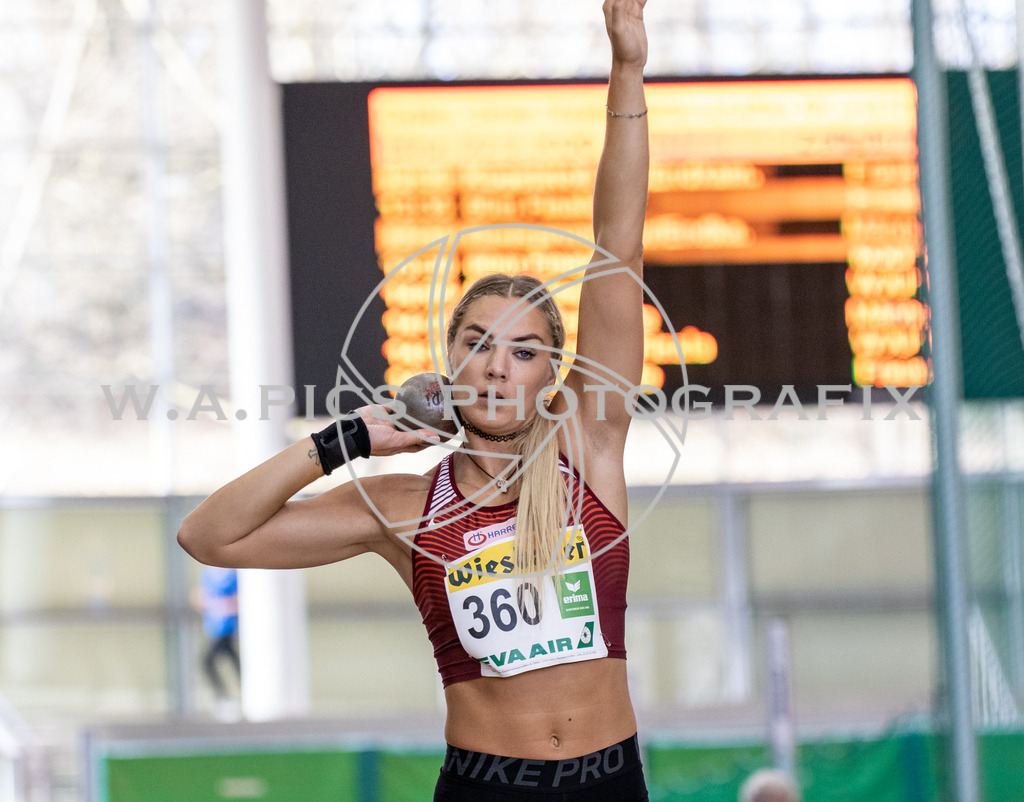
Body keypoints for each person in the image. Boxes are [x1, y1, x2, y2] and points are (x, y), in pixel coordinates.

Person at [177, 0, 649, 797]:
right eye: (478, 344)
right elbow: (209, 537)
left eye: (525, 351)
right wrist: (345, 441)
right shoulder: (402, 507)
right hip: (483, 784)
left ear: (552, 377)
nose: (499, 367)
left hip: (611, 780)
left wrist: (627, 70)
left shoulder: (589, 449)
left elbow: (619, 246)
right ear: (449, 364)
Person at [196, 566, 241, 720]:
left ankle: (227, 699)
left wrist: (222, 605)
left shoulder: (234, 575)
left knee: (208, 661)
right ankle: (225, 698)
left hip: (228, 629)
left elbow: (238, 601)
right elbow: (200, 598)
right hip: (214, 629)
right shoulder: (208, 574)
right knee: (231, 663)